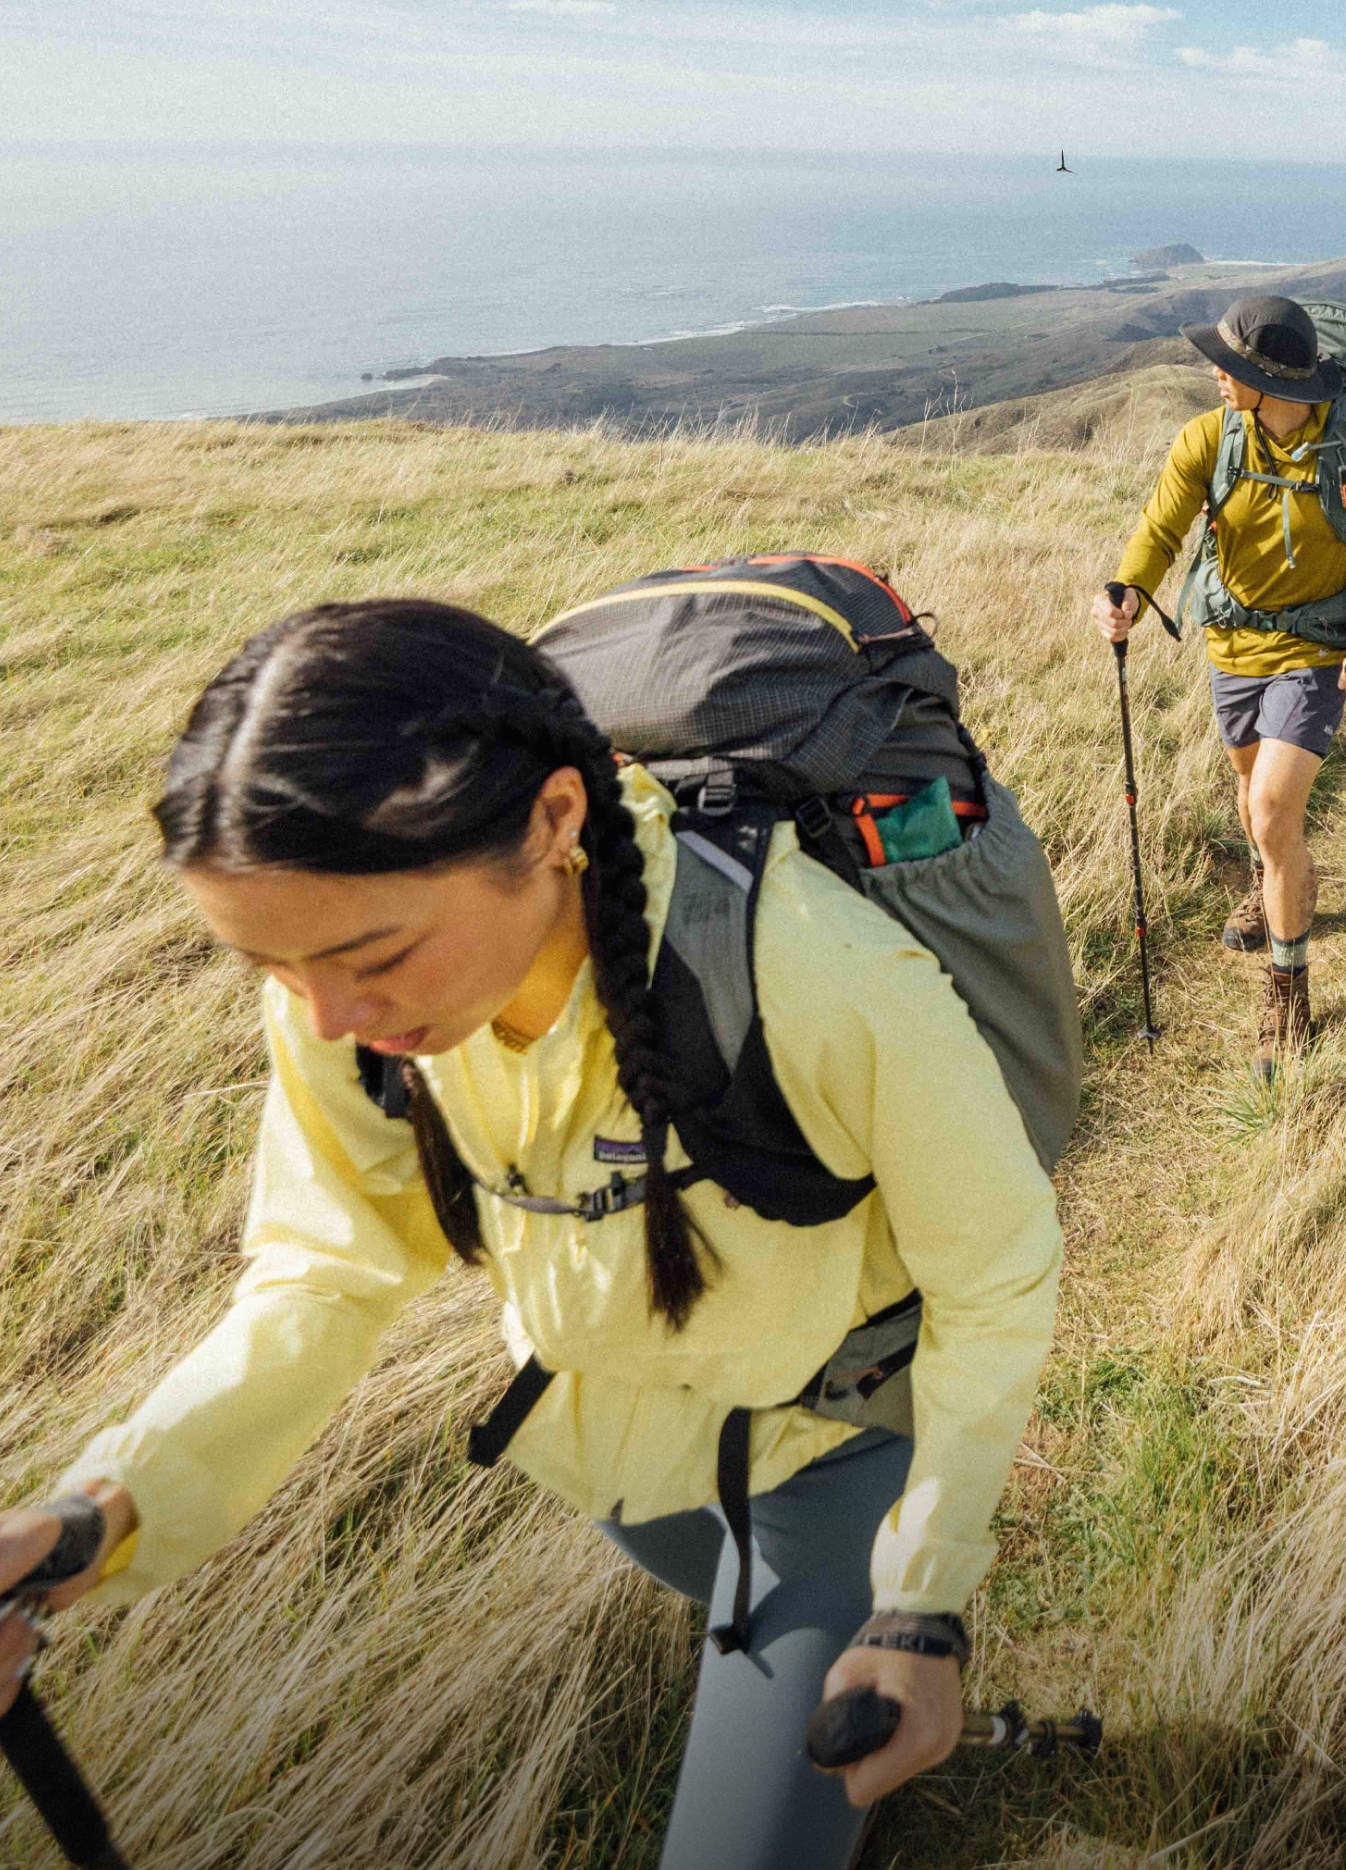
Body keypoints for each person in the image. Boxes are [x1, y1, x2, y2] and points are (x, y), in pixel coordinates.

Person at [0, 600, 1062, 1870]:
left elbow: (995, 1278)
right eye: (270, 970)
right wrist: (98, 1514)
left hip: (828, 1462)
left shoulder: (816, 974)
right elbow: (323, 1275)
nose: (328, 1017)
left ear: (556, 821)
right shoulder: (348, 1002)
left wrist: (920, 1598)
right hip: (624, 1465)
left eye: (371, 953)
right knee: (775, 1684)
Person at [1091, 295, 1346, 1078]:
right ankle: (1278, 878)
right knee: (1254, 806)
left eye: (1231, 365)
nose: (1215, 374)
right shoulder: (1208, 440)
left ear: (1270, 383)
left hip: (1316, 652)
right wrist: (1128, 589)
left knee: (1273, 809)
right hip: (1231, 647)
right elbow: (1161, 528)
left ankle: (1288, 989)